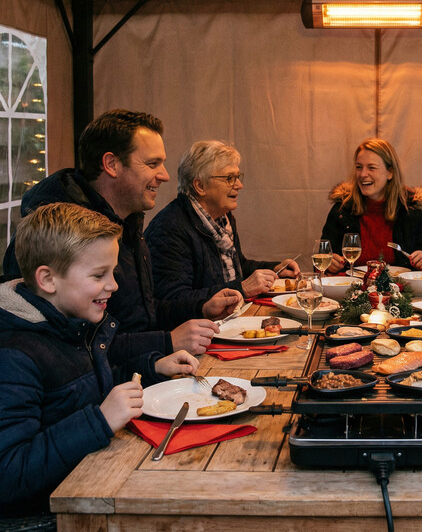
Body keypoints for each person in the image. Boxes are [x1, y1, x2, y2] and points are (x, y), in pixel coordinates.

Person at [0, 203, 198, 518]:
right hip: (53, 517)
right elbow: (9, 474)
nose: (113, 285)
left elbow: (84, 388)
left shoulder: (73, 321)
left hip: (97, 481)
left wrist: (151, 367)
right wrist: (100, 421)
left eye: (113, 272)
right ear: (48, 280)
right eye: (99, 275)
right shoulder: (14, 355)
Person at [2, 110, 241, 357]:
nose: (165, 175)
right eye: (152, 163)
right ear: (112, 165)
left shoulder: (127, 221)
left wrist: (201, 307)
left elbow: (142, 314)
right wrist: (166, 341)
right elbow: (62, 351)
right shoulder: (55, 234)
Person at [145, 140, 300, 301]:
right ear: (200, 186)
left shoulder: (223, 218)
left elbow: (238, 267)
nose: (239, 185)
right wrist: (242, 289)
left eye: (238, 177)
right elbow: (171, 300)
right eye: (229, 178)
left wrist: (274, 269)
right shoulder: (169, 227)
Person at [322, 138, 422, 272]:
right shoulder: (342, 210)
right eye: (359, 167)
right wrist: (329, 265)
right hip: (352, 290)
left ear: (390, 172)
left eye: (371, 168)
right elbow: (320, 262)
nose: (363, 174)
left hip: (402, 290)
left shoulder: (413, 210)